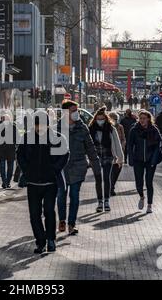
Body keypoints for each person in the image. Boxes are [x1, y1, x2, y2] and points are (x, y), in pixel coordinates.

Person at [17, 111, 69, 254]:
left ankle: (51, 239)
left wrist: (55, 169)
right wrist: (27, 170)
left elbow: (65, 154)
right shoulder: (27, 137)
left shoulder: (57, 137)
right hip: (33, 183)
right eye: (37, 124)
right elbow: (20, 154)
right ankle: (40, 241)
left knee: (49, 212)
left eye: (43, 124)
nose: (40, 127)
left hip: (50, 183)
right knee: (34, 214)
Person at [57, 101, 101, 235]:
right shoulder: (56, 129)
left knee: (75, 196)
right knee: (61, 196)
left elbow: (90, 147)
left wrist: (96, 165)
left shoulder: (82, 128)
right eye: (73, 111)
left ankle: (71, 223)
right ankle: (62, 220)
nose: (77, 113)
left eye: (77, 110)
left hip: (78, 166)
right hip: (61, 169)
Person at [89, 107, 124, 212]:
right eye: (98, 119)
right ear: (95, 119)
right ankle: (100, 202)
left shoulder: (110, 128)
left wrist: (120, 158)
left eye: (102, 119)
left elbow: (117, 143)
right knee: (98, 180)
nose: (100, 121)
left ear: (106, 118)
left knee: (107, 178)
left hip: (108, 156)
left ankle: (107, 201)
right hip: (96, 157)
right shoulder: (91, 129)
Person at [128, 110, 162, 214]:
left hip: (150, 160)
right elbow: (130, 145)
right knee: (139, 183)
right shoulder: (134, 130)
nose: (142, 120)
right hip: (138, 160)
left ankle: (149, 205)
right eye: (140, 118)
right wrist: (130, 159)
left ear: (148, 118)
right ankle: (142, 197)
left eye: (144, 118)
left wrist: (154, 160)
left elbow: (159, 145)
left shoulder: (154, 130)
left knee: (149, 183)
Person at [0, 114, 17, 189]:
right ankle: (6, 182)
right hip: (9, 150)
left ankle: (5, 182)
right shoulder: (13, 127)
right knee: (9, 167)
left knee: (5, 167)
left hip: (5, 150)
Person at [108, 111, 126, 196]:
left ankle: (112, 185)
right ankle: (111, 188)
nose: (115, 120)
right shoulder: (107, 128)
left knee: (117, 171)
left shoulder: (120, 127)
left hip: (119, 152)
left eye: (116, 119)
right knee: (111, 172)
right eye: (113, 119)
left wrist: (122, 146)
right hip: (110, 154)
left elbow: (123, 138)